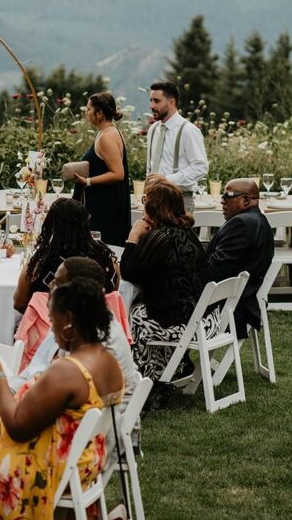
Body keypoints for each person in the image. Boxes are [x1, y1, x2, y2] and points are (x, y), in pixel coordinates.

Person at [0, 278, 123, 519]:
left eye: (52, 320)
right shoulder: (107, 358)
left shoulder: (67, 370)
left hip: (42, 465)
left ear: (69, 320)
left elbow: (17, 427)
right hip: (83, 458)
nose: (51, 329)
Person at [120, 176, 218, 381]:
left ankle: (150, 378)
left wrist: (133, 236)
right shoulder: (185, 231)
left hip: (186, 326)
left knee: (135, 313)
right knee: (150, 306)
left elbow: (128, 272)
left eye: (145, 199)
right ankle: (174, 367)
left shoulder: (160, 237)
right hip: (209, 320)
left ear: (153, 206)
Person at [15, 256, 138, 415]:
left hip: (90, 428)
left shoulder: (97, 341)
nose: (50, 286)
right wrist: (11, 391)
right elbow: (34, 368)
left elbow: (27, 420)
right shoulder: (73, 320)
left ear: (76, 292)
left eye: (57, 282)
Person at [12, 197, 118, 313]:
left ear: (52, 225)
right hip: (95, 328)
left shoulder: (42, 262)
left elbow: (19, 303)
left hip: (47, 327)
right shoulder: (107, 260)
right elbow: (112, 299)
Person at [206, 178, 275, 338]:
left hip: (229, 309)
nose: (222, 201)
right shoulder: (259, 220)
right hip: (242, 302)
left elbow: (214, 271)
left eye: (228, 196)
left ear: (246, 200)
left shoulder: (241, 224)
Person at [71, 91, 132, 245]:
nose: (86, 112)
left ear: (99, 113)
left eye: (89, 109)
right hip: (105, 203)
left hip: (106, 207)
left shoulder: (107, 136)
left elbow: (118, 174)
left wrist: (87, 181)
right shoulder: (107, 132)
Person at [145, 80, 209, 213]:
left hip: (179, 200)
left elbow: (201, 167)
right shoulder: (153, 130)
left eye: (156, 101)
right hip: (153, 200)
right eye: (151, 100)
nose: (151, 105)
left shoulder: (189, 130)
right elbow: (151, 166)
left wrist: (167, 179)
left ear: (171, 102)